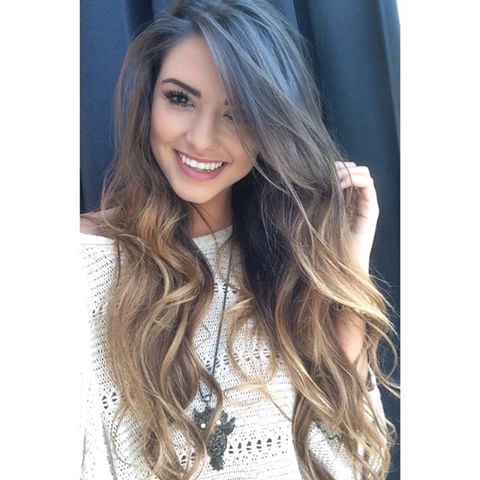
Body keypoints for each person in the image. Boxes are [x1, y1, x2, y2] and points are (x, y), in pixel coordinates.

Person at [80, 0, 398, 479]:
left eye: (237, 114)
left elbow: (360, 463)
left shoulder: (289, 273)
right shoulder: (82, 265)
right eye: (180, 99)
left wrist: (345, 276)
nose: (201, 139)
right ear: (148, 99)